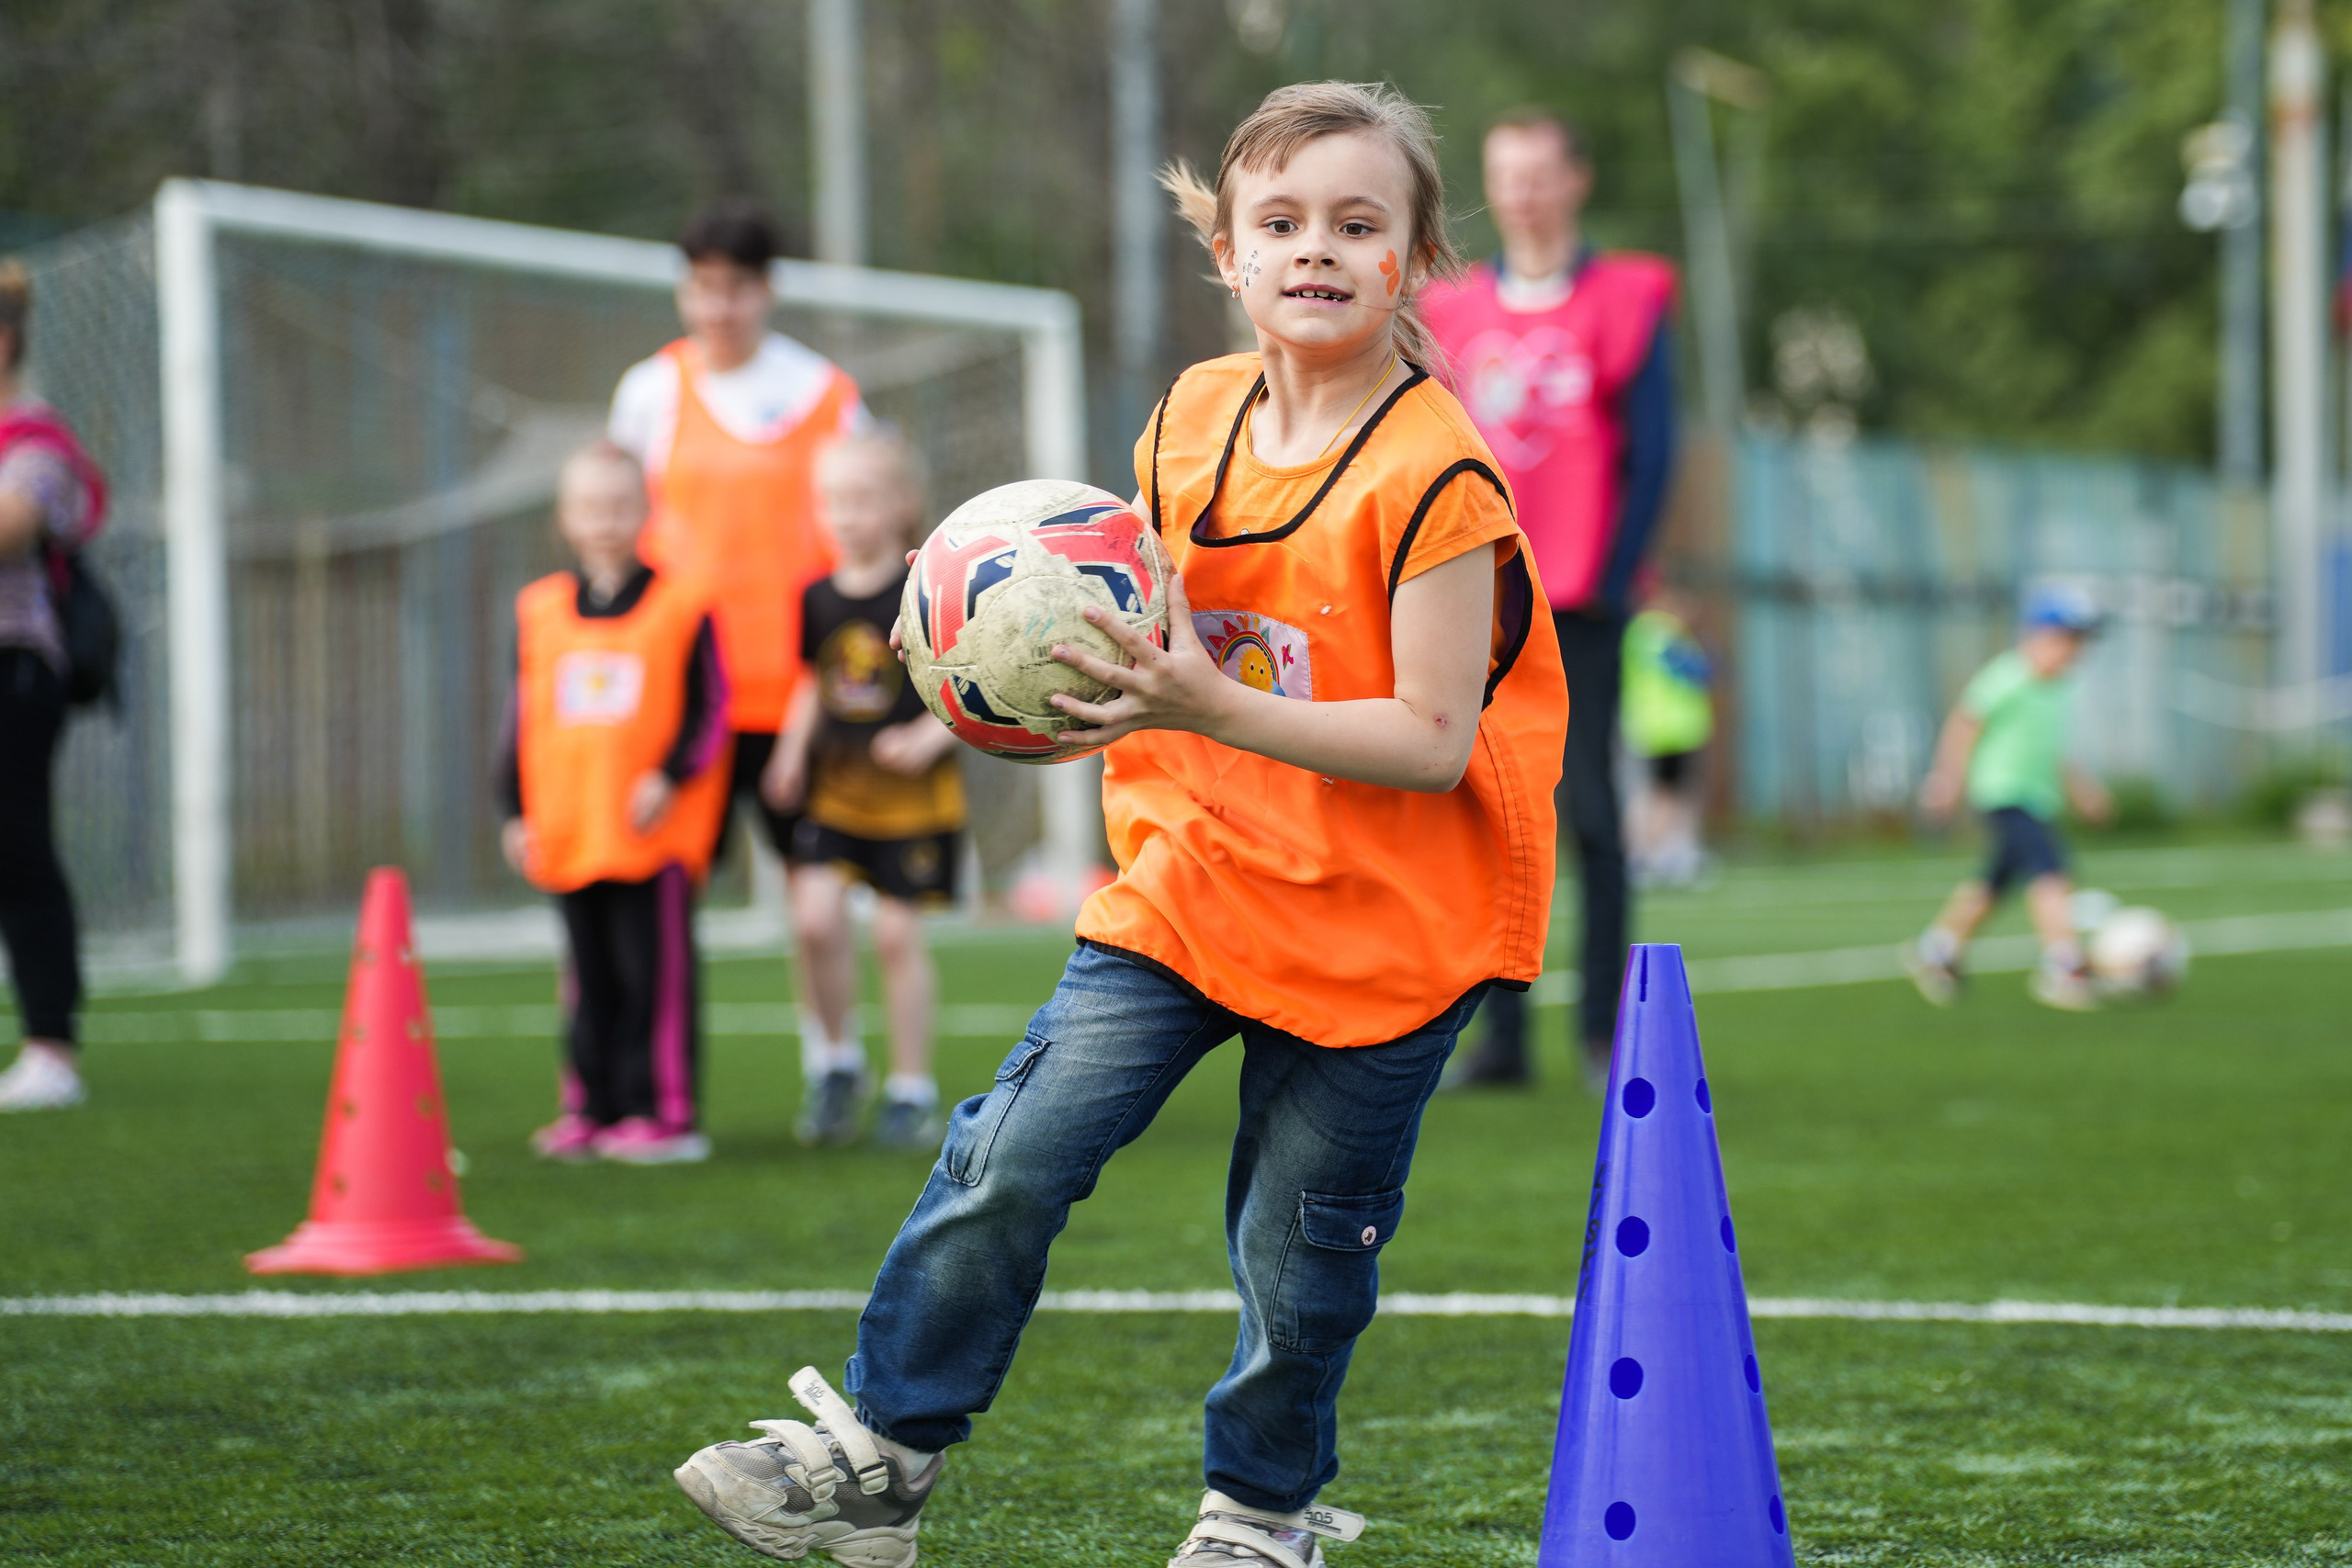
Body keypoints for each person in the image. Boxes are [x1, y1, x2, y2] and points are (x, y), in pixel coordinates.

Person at [669, 81, 1566, 1568]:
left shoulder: (1437, 479)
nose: (1317, 248)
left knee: (1297, 1251)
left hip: (1391, 925)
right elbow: (1127, 609)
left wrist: (1203, 700)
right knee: (1011, 1149)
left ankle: (1259, 1514)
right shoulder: (1191, 418)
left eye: (1358, 224)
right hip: (1197, 873)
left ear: (1413, 260)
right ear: (1229, 250)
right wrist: (990, 634)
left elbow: (1428, 738)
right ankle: (883, 1457)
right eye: (1282, 220)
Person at [1421, 109, 1678, 1091]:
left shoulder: (1630, 297)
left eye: (1539, 173)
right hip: (1479, 595)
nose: (1521, 193)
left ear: (1576, 180)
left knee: (1593, 814)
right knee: (1487, 813)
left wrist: (1614, 578)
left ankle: (1605, 1032)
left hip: (1583, 599)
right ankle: (1501, 1039)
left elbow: (1653, 453)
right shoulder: (1450, 311)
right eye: (1505, 175)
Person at [605, 201, 868, 1086]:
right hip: (687, 697)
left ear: (767, 290)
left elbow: (864, 534)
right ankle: (645, 1086)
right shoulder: (648, 392)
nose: (718, 307)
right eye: (702, 287)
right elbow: (620, 530)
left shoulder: (825, 394)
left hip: (800, 693)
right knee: (655, 892)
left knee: (816, 902)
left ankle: (833, 1058)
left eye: (736, 289)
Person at [496, 442, 733, 1162]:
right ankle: (590, 1105)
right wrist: (513, 808)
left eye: (620, 505)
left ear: (646, 510)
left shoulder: (683, 604)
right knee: (586, 975)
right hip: (571, 826)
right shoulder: (540, 609)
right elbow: (521, 716)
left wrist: (668, 774)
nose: (605, 520)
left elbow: (712, 711)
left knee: (652, 977)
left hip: (651, 832)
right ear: (566, 517)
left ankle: (663, 1110)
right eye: (590, 507)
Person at [761, 430, 962, 1150]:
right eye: (832, 501)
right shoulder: (815, 595)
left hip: (914, 801)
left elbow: (973, 682)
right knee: (813, 920)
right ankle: (838, 1062)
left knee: (895, 936)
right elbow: (811, 683)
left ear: (902, 504)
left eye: (862, 499)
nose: (845, 515)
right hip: (837, 793)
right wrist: (790, 751)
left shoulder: (930, 589)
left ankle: (911, 1090)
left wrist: (929, 736)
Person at [1903, 584, 2113, 1012]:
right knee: (2051, 871)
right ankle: (2064, 965)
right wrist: (1947, 779)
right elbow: (1965, 723)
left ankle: (1938, 949)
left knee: (1994, 882)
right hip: (2004, 791)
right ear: (2040, 635)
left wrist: (2082, 789)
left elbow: (2051, 750)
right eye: (2070, 639)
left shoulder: (2056, 689)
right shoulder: (2009, 676)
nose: (2076, 651)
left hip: (2038, 796)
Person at [0, 259, 105, 1114]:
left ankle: (50, 1048)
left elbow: (12, 526)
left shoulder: (35, 440)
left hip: (13, 668)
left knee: (17, 847)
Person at [1621, 583, 1714, 888]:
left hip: (1649, 727)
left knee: (1653, 793)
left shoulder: (1635, 632)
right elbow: (1699, 670)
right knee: (1668, 795)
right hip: (1671, 730)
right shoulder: (1660, 633)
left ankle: (1655, 854)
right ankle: (1654, 856)